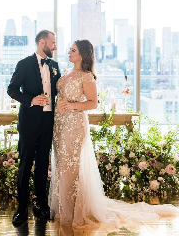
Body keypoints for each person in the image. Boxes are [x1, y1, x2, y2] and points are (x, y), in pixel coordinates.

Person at [48, 40, 178, 228]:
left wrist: (73, 106)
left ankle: (74, 210)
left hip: (74, 125)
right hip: (59, 125)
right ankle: (61, 208)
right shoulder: (66, 72)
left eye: (73, 50)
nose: (69, 52)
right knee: (61, 165)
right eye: (70, 49)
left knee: (72, 167)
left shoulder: (87, 76)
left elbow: (93, 103)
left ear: (82, 54)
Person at [8, 30, 61, 226]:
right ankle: (21, 208)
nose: (55, 46)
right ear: (42, 42)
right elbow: (11, 89)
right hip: (29, 122)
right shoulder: (24, 64)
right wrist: (31, 100)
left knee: (41, 166)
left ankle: (40, 204)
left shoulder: (55, 66)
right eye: (53, 43)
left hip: (48, 121)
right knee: (25, 165)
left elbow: (59, 91)